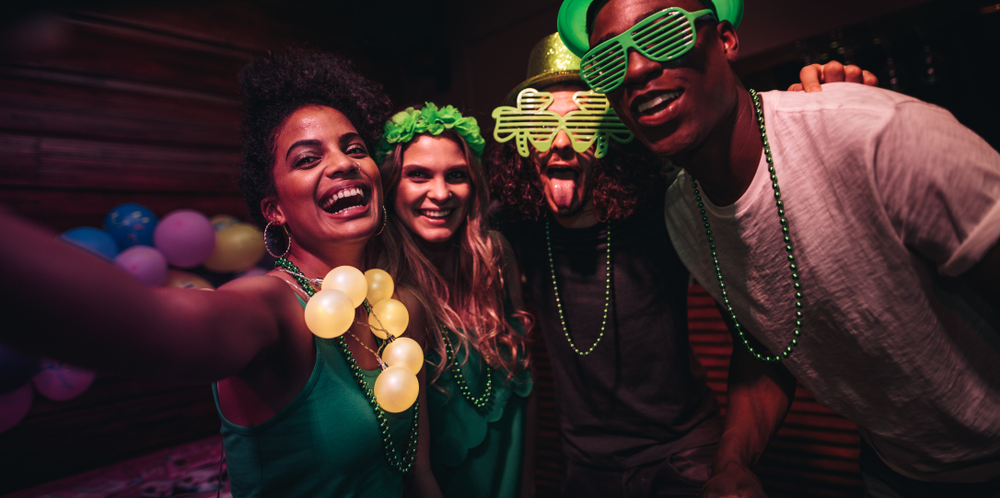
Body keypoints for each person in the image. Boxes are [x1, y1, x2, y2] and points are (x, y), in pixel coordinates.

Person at [556, 0, 1000, 497]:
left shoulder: (872, 136)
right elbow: (767, 344)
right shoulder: (682, 215)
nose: (636, 69)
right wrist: (734, 463)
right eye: (608, 60)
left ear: (727, 39)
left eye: (662, 34)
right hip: (897, 474)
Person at [0, 48, 436, 497]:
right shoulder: (270, 309)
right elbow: (154, 325)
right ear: (275, 209)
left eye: (355, 148)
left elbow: (419, 475)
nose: (344, 163)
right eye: (307, 159)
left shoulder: (400, 310)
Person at [486, 34, 864, 498]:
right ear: (520, 139)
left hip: (684, 458)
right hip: (585, 470)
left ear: (612, 135)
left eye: (583, 122)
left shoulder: (667, 211)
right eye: (540, 125)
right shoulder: (519, 227)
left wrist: (819, 111)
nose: (561, 143)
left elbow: (762, 342)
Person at [375, 103, 534, 498]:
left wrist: (530, 486)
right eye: (419, 175)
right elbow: (410, 464)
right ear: (392, 184)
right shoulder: (390, 296)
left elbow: (529, 390)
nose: (441, 193)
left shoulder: (496, 257)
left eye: (457, 176)